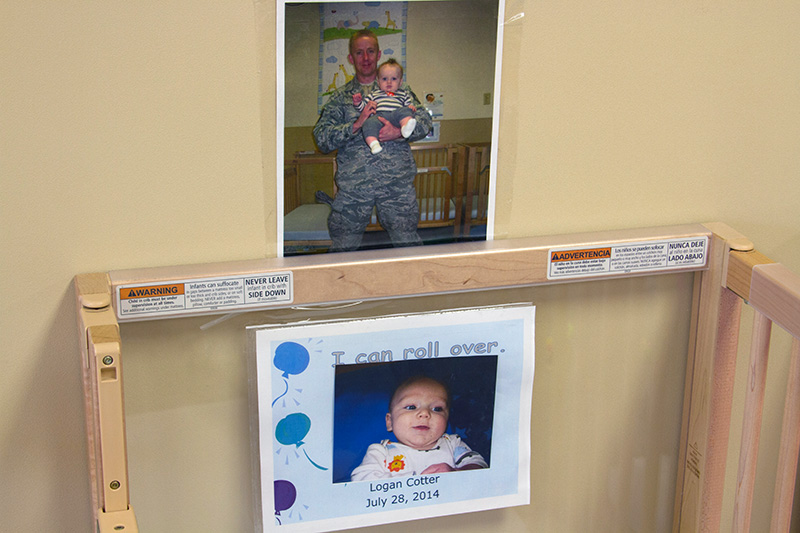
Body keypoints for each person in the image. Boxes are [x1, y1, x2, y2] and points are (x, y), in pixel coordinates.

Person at [313, 30, 432, 252]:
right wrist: (355, 126)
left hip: (396, 188)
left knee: (408, 246)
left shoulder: (400, 91)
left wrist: (399, 131)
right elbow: (321, 138)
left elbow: (425, 122)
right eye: (359, 53)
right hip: (354, 190)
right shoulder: (340, 98)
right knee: (343, 249)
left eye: (370, 52)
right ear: (351, 58)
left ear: (378, 55)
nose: (365, 58)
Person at [350, 376, 488, 480]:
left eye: (437, 409)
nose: (425, 413)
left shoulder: (452, 443)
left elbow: (479, 464)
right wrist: (414, 481)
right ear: (390, 422)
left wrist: (456, 473)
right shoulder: (381, 452)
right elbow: (361, 479)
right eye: (411, 407)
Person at [353, 58, 417, 155]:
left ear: (400, 82)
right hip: (379, 117)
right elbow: (363, 108)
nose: (389, 82)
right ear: (378, 82)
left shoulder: (403, 94)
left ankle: (405, 129)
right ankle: (374, 144)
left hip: (396, 116)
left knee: (405, 112)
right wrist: (358, 103)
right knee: (368, 124)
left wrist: (411, 107)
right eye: (384, 79)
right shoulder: (374, 94)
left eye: (394, 79)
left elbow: (409, 105)